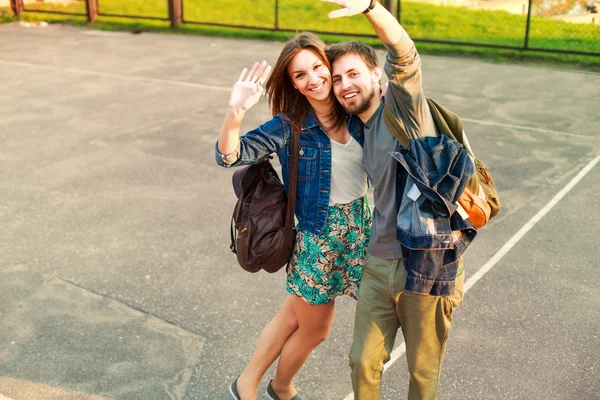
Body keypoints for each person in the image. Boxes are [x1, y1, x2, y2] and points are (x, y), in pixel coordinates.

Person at [322, 0, 472, 398]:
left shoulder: (404, 112)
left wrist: (371, 7)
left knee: (422, 372)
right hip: (378, 262)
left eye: (353, 74)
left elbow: (405, 56)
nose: (344, 85)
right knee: (362, 360)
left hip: (426, 264)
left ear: (377, 74)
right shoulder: (359, 125)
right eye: (337, 79)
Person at [215, 32, 371, 400]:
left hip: (359, 229)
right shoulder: (289, 125)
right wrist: (235, 111)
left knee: (291, 316)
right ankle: (280, 388)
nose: (313, 79)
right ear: (293, 84)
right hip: (319, 237)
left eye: (318, 67)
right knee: (316, 330)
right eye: (300, 75)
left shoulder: (356, 111)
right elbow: (230, 155)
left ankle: (246, 383)